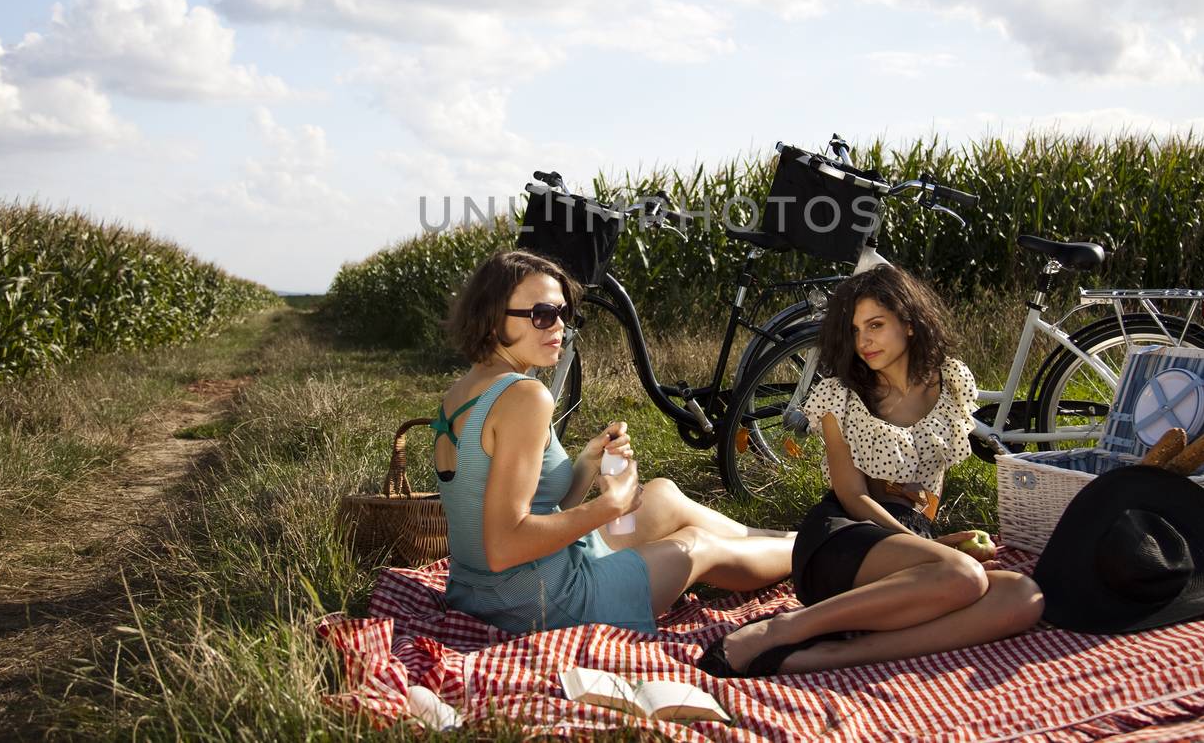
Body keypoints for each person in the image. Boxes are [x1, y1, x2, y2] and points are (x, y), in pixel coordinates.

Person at [699, 264, 1042, 676]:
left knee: (1022, 596)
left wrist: (936, 540)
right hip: (844, 536)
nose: (864, 341)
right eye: (856, 329)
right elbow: (852, 495)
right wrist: (926, 546)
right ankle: (787, 627)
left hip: (908, 541)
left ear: (910, 323)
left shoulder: (948, 381)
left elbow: (930, 493)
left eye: (876, 325)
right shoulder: (840, 396)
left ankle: (828, 656)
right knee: (963, 576)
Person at [432, 249, 795, 634]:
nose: (559, 328)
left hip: (477, 594)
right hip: (541, 602)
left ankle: (784, 539)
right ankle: (810, 552)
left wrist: (587, 463)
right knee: (697, 546)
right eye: (542, 314)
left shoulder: (462, 392)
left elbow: (524, 509)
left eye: (563, 312)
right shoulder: (526, 396)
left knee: (662, 495)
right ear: (492, 321)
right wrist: (611, 506)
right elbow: (505, 546)